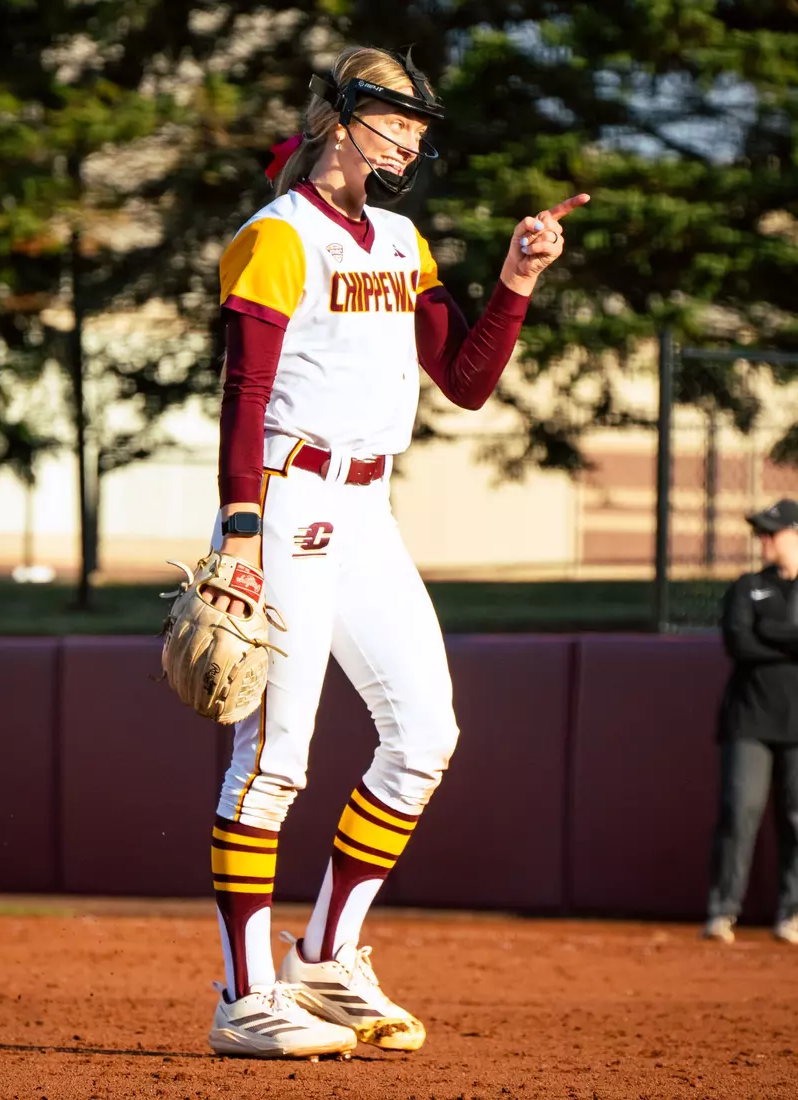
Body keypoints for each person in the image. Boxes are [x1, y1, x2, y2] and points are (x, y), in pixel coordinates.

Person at [207, 43, 590, 1058]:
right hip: (286, 502)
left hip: (368, 511)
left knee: (423, 732)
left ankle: (326, 957)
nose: (416, 140)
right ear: (345, 120)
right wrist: (240, 526)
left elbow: (462, 379)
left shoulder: (399, 239)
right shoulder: (278, 234)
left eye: (419, 126)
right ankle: (245, 995)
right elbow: (243, 392)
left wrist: (514, 280)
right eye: (402, 122)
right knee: (273, 758)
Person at [703, 498, 798, 945]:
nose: (763, 540)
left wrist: (769, 632)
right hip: (749, 721)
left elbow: (758, 637)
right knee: (739, 811)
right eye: (761, 533)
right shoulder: (747, 587)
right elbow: (740, 643)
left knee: (796, 817)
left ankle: (792, 913)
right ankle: (723, 911)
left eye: (772, 532)